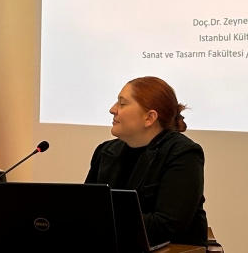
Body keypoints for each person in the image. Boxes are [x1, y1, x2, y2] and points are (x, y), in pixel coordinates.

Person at [85, 76, 208, 246]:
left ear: (149, 117)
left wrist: (101, 220)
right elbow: (86, 209)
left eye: (122, 103)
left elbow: (168, 225)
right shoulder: (105, 151)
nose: (112, 110)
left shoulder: (183, 153)